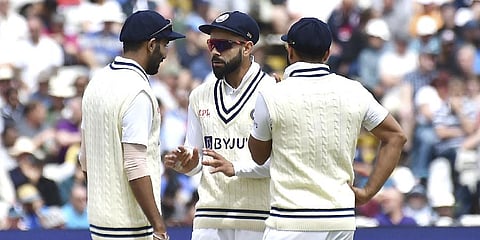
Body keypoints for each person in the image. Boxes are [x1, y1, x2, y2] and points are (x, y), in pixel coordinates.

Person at [248, 17, 406, 240]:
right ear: (327, 54)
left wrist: (260, 114)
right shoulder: (354, 90)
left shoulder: (272, 94)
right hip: (339, 219)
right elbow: (396, 136)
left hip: (291, 221)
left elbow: (258, 155)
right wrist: (368, 192)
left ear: (290, 51)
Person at [163, 11, 276, 240]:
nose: (215, 51)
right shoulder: (199, 95)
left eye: (223, 44)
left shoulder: (273, 91)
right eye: (211, 43)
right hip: (209, 218)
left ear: (247, 47)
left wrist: (236, 167)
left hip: (258, 218)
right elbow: (197, 161)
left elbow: (280, 162)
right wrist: (187, 163)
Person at [79, 10, 184, 240]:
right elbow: (135, 165)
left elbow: (84, 158)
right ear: (151, 44)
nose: (166, 53)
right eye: (165, 44)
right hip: (132, 226)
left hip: (99, 223)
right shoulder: (137, 92)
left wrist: (103, 201)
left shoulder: (96, 81)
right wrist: (159, 225)